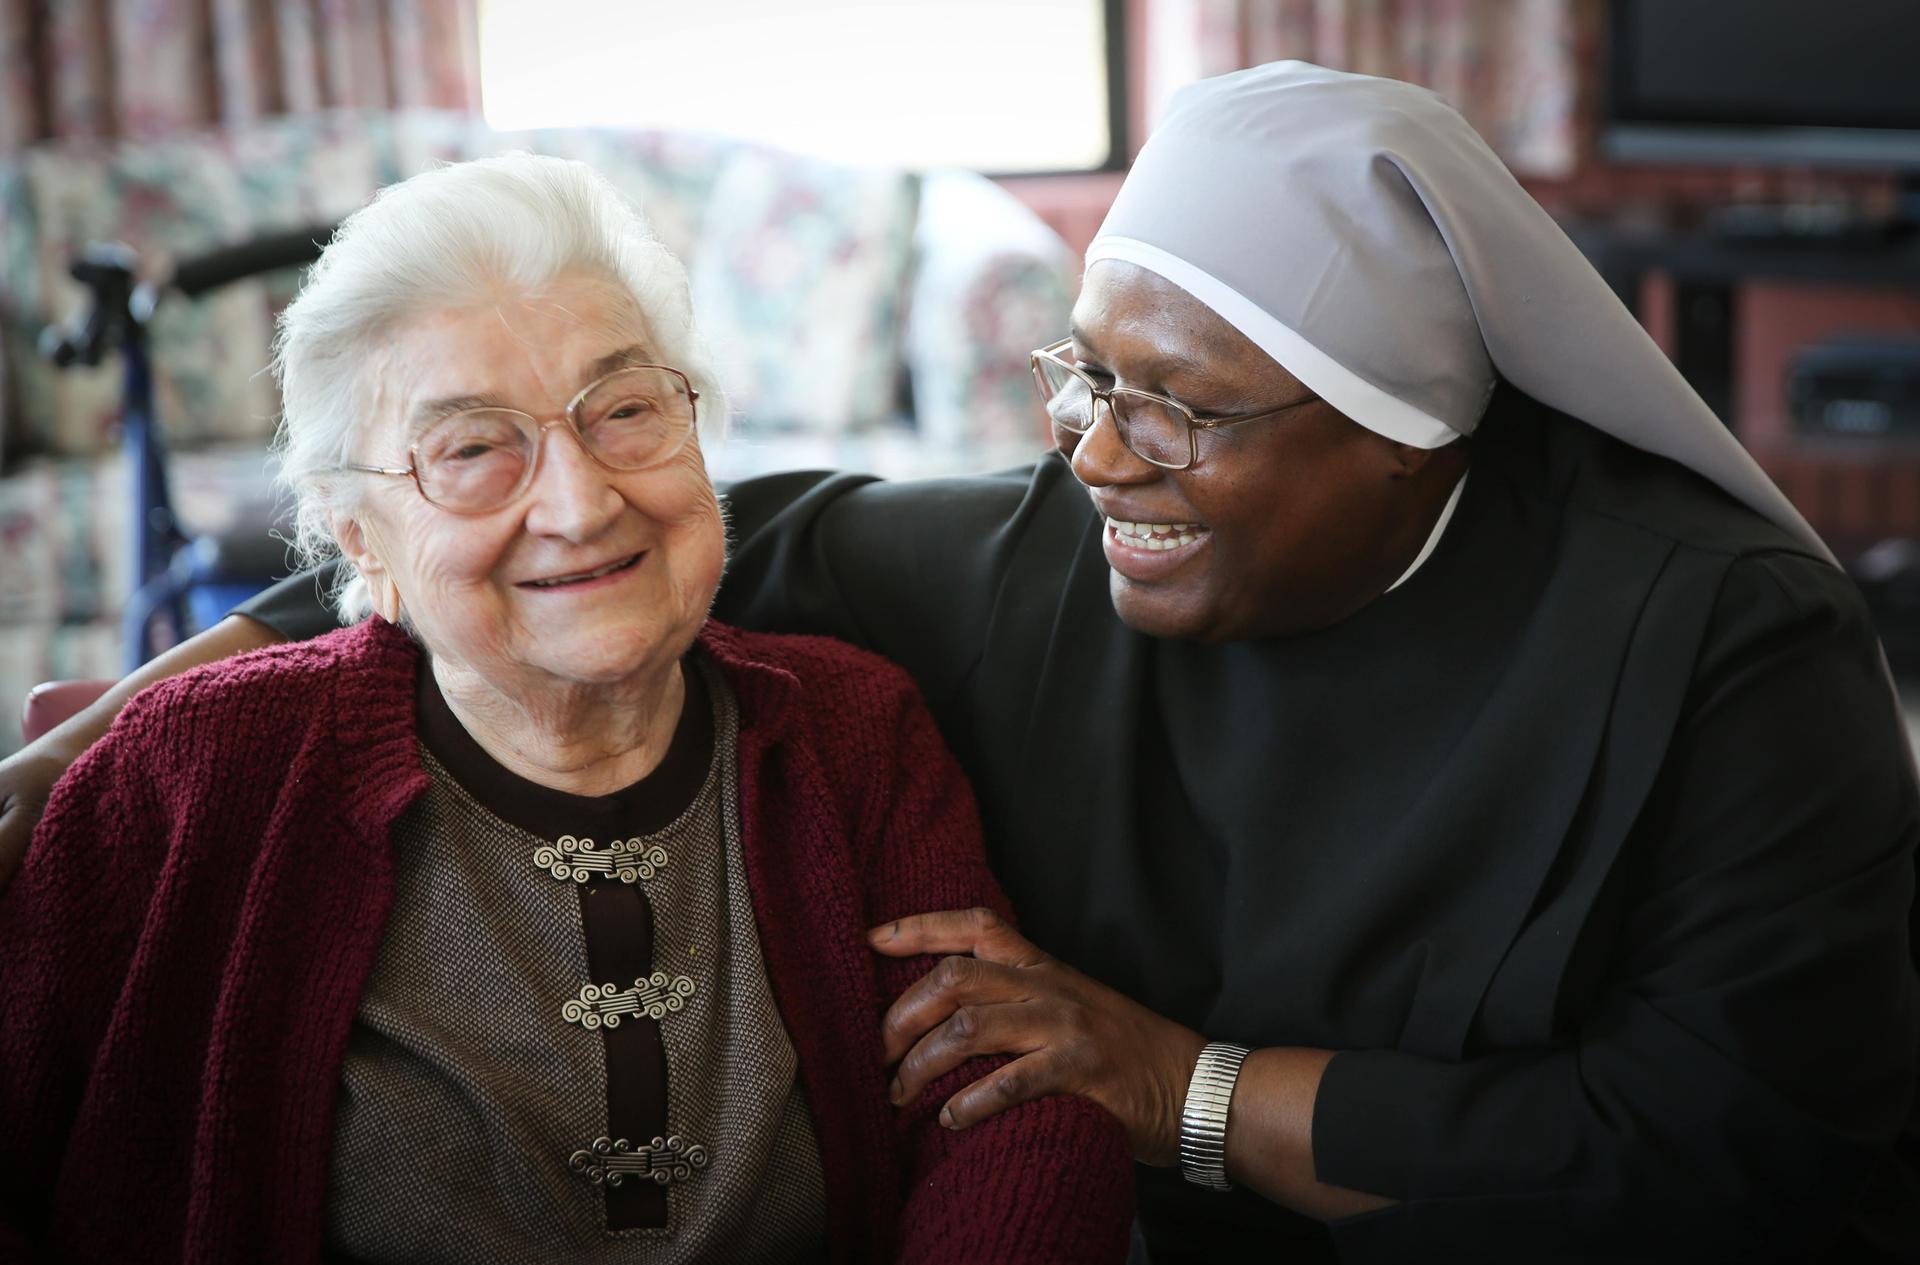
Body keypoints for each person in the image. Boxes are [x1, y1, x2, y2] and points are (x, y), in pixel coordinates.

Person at [4, 61, 1916, 1262]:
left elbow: (1725, 1153)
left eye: (1179, 413)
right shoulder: (1033, 562)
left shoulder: (1727, 656)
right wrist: (148, 709)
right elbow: (595, 531)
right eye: (1084, 377)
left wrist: (1177, 1085)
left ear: (1410, 432)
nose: (1092, 455)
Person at [0, 153, 1134, 1263]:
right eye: (474, 448)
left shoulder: (852, 735)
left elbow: (1008, 1109)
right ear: (362, 543)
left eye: (625, 409)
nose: (583, 503)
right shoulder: (194, 768)